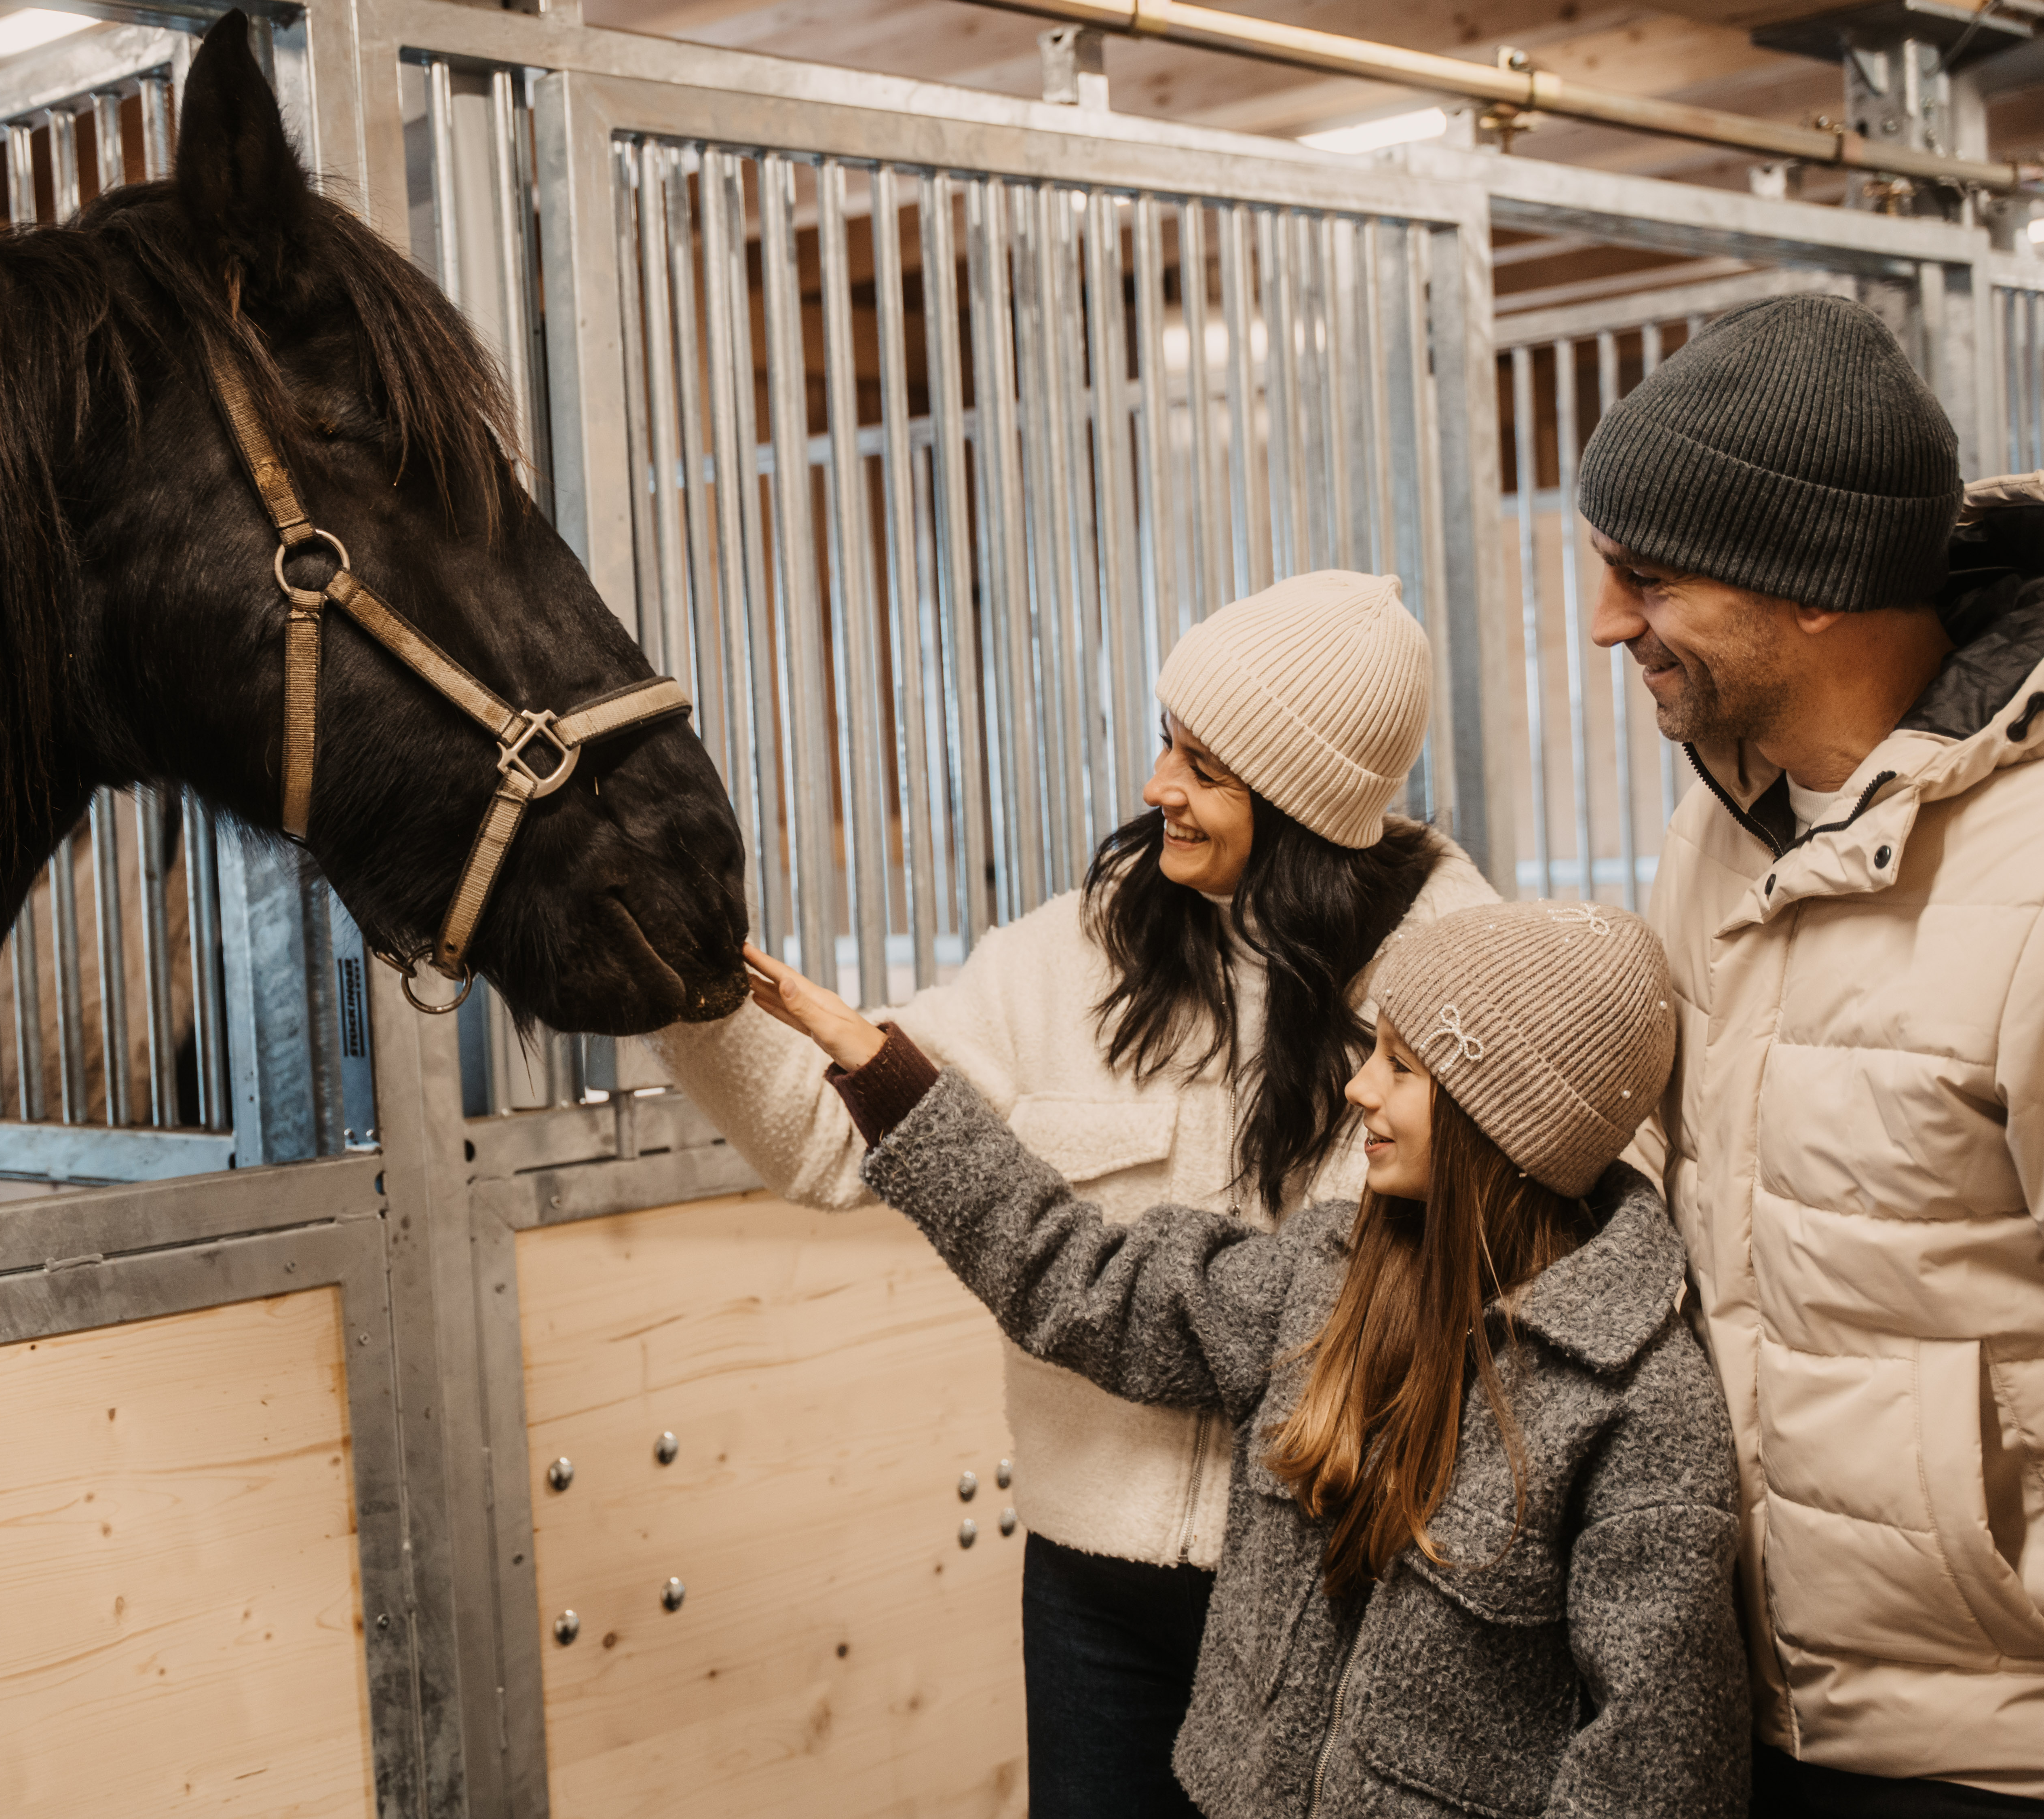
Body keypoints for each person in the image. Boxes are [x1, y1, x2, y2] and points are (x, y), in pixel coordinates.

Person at [651, 570, 1499, 1817]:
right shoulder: (1079, 950)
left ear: (1304, 804)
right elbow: (827, 1140)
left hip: (1335, 1585)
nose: (1158, 784)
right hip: (1090, 1591)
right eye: (1167, 741)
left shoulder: (1456, 979)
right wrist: (675, 983)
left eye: (1204, 766)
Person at [743, 898, 1749, 1817]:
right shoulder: (1325, 1279)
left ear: (1508, 1119)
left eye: (1402, 1067)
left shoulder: (1640, 1405)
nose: (1359, 1088)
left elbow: (1655, 1777)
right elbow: (1083, 1278)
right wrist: (887, 1073)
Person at [1581, 292, 2044, 1813]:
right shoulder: (1715, 834)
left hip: (1988, 1742)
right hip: (1757, 1699)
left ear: (1816, 589)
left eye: (1646, 579)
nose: (1602, 621)